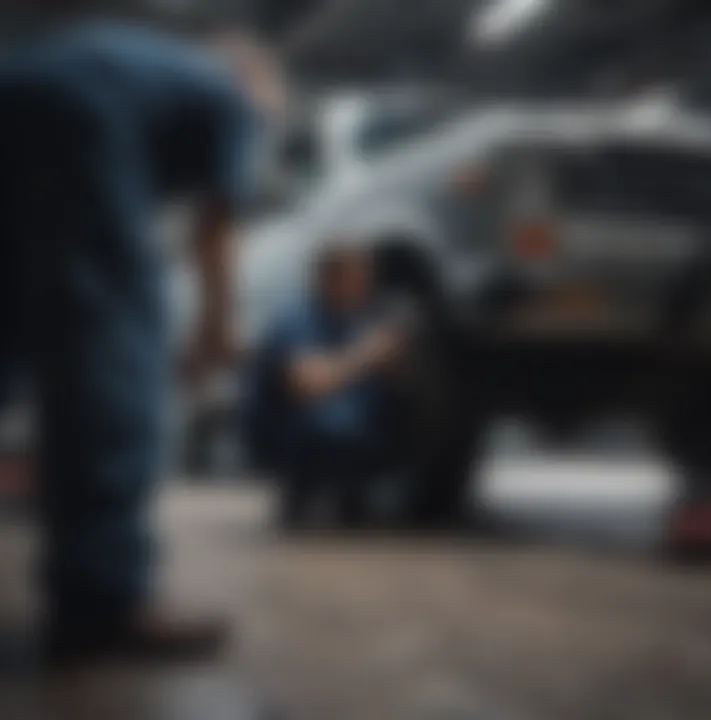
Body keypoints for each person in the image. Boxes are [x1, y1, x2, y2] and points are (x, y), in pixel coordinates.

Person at [0, 10, 280, 666]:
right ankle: (102, 602)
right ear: (255, 78)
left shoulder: (149, 70)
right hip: (78, 121)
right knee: (110, 348)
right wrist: (217, 327)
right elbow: (219, 220)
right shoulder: (231, 96)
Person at [248, 240, 411, 528]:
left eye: (366, 275)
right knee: (328, 422)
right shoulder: (295, 317)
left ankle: (355, 492)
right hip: (296, 432)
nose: (364, 283)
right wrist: (367, 355)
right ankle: (305, 492)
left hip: (355, 429)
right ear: (328, 277)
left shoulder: (361, 319)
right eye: (355, 274)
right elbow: (304, 383)